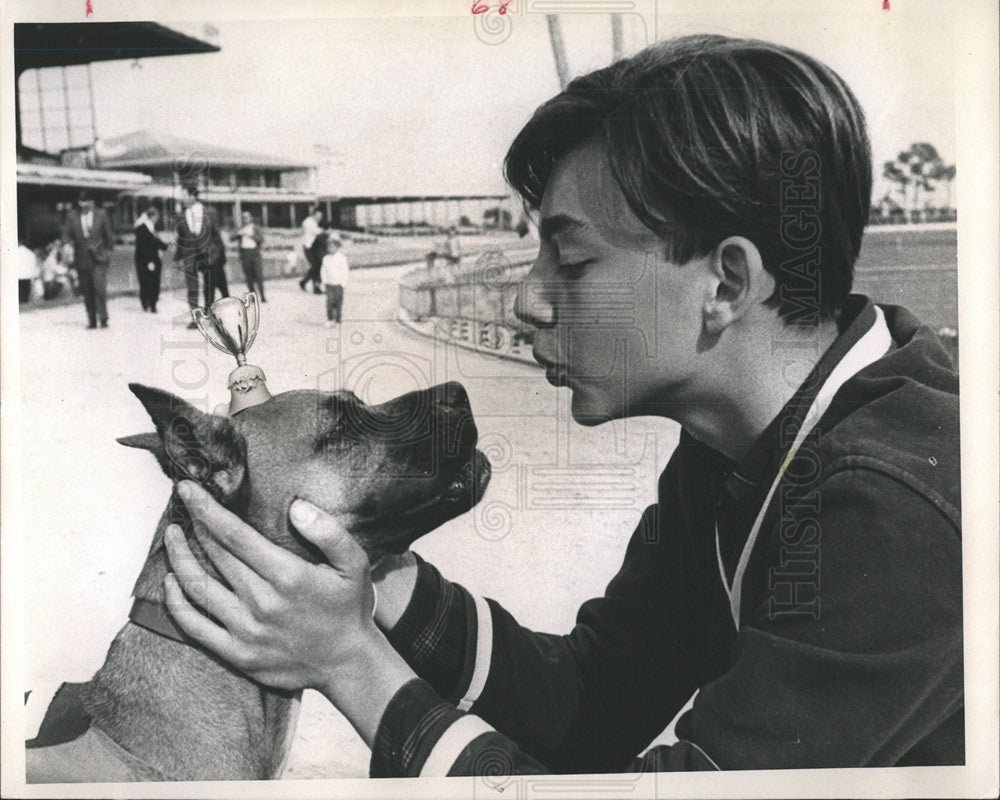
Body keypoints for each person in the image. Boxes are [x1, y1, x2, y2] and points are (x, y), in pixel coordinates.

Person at [162, 35, 963, 775]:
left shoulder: (899, 503)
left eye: (571, 261)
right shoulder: (740, 443)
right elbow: (589, 701)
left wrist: (347, 661)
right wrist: (364, 578)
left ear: (725, 285)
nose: (525, 301)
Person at [173, 185, 228, 326]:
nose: (182, 198)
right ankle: (195, 318)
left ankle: (210, 314)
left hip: (209, 254)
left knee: (209, 285)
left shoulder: (210, 212)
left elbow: (217, 235)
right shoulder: (180, 216)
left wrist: (220, 255)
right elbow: (180, 239)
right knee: (192, 287)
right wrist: (177, 259)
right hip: (189, 255)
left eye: (184, 195)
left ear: (193, 196)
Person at [62, 190, 114, 329]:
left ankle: (103, 317)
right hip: (82, 259)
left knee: (99, 288)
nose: (84, 206)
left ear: (92, 202)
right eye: (81, 203)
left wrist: (108, 254)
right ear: (79, 203)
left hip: (100, 259)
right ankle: (92, 320)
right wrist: (67, 244)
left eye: (87, 203)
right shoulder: (71, 216)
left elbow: (108, 236)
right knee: (87, 291)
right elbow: (66, 234)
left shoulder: (101, 214)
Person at [133, 206, 169, 313]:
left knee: (152, 282)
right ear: (152, 217)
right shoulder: (143, 228)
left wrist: (165, 246)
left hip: (151, 259)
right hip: (146, 261)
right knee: (147, 282)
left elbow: (155, 242)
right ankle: (148, 303)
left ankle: (151, 303)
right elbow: (143, 246)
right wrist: (149, 261)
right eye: (156, 217)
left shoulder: (150, 228)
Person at [231, 210, 267, 302]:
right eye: (243, 217)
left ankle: (263, 296)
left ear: (251, 218)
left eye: (247, 217)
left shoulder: (255, 227)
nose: (245, 219)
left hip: (255, 253)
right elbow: (231, 238)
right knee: (248, 276)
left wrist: (251, 235)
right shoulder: (240, 228)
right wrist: (238, 233)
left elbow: (261, 239)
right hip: (245, 253)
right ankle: (253, 295)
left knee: (259, 275)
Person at [319, 233, 349, 328]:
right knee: (329, 303)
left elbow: (345, 271)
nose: (331, 249)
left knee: (338, 303)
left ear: (337, 247)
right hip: (329, 284)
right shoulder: (326, 258)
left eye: (333, 247)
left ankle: (338, 320)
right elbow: (323, 271)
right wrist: (324, 282)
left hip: (338, 284)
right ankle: (330, 319)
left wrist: (343, 283)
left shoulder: (341, 258)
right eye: (329, 247)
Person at [299, 208, 324, 294]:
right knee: (316, 266)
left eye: (320, 216)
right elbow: (316, 231)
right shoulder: (308, 222)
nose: (319, 218)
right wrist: (323, 231)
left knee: (316, 266)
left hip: (314, 247)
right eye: (318, 216)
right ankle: (315, 287)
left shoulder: (313, 222)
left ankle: (304, 282)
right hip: (308, 247)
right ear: (313, 214)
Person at [17, 238, 39, 303]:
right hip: (28, 276)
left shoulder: (15, 252)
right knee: (25, 295)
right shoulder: (30, 253)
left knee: (19, 296)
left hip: (19, 276)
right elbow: (34, 264)